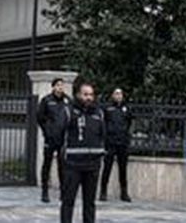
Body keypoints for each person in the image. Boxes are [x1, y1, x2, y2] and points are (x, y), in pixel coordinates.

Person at [60, 80, 105, 223]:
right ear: (78, 95)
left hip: (92, 165)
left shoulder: (99, 113)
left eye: (91, 95)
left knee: (90, 203)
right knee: (68, 201)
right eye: (85, 94)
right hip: (73, 165)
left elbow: (103, 135)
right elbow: (58, 133)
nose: (89, 98)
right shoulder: (69, 111)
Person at [38, 78, 71, 203]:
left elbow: (71, 116)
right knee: (47, 164)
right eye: (58, 85)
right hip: (50, 138)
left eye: (62, 85)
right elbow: (40, 117)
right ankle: (44, 191)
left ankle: (63, 191)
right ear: (53, 87)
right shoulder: (46, 100)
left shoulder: (67, 100)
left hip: (63, 139)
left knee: (63, 166)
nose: (60, 87)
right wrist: (47, 131)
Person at [100, 88, 132, 202]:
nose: (118, 96)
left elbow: (129, 123)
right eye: (116, 94)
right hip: (110, 142)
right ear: (112, 95)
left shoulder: (126, 108)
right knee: (107, 168)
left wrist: (126, 136)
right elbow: (104, 123)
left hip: (122, 143)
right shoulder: (107, 108)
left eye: (120, 94)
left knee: (123, 169)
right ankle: (103, 191)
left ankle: (124, 192)